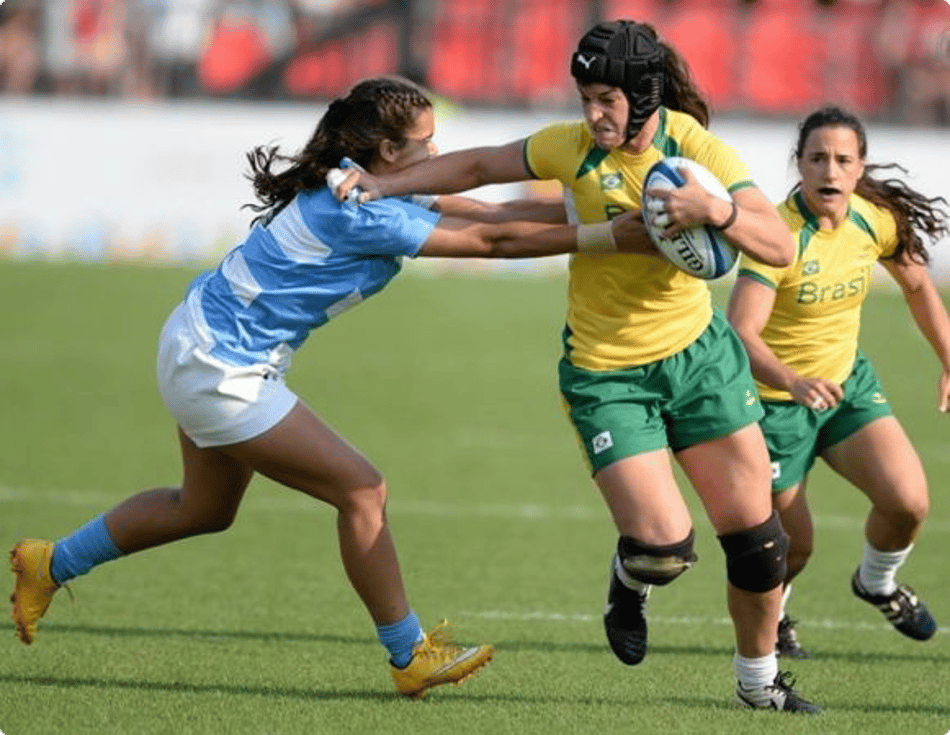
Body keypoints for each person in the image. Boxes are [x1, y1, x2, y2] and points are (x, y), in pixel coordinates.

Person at [8, 76, 651, 699]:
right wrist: (609, 237)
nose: (436, 153)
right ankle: (409, 655)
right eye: (425, 143)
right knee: (362, 490)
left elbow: (491, 209)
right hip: (219, 368)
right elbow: (490, 238)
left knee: (202, 509)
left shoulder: (369, 180)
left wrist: (610, 201)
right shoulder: (361, 208)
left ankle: (48, 563)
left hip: (200, 342)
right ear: (389, 152)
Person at [332, 22, 820, 713]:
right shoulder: (573, 147)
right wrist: (383, 184)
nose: (592, 114)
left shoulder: (695, 148)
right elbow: (478, 167)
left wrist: (715, 208)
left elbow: (776, 244)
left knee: (759, 544)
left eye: (606, 100)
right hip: (606, 372)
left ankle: (758, 683)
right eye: (586, 98)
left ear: (646, 96)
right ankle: (631, 578)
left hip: (700, 358)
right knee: (664, 546)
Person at [727, 105, 950, 659]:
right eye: (817, 158)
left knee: (908, 502)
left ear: (859, 168)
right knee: (792, 548)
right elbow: (741, 333)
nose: (830, 170)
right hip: (776, 405)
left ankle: (876, 582)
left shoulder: (874, 220)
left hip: (846, 387)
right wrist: (793, 380)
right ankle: (774, 621)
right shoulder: (778, 235)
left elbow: (919, 287)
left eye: (842, 160)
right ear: (798, 164)